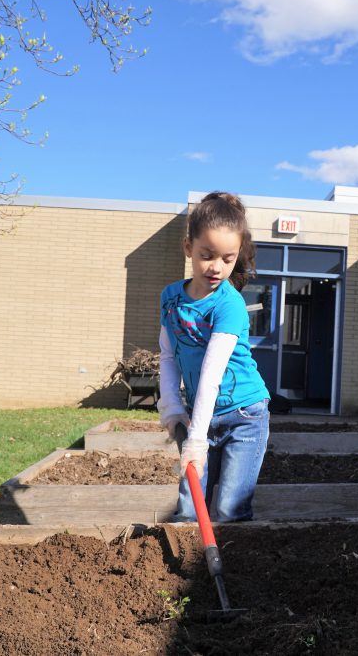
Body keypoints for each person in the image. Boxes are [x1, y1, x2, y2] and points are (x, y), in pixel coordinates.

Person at [158, 191, 271, 523]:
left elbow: (212, 374)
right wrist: (172, 409)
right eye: (207, 255)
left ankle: (233, 569)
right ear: (188, 247)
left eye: (228, 258)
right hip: (200, 416)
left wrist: (195, 441)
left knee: (228, 511)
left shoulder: (229, 304)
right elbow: (167, 356)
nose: (217, 268)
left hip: (244, 416)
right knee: (189, 510)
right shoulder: (170, 298)